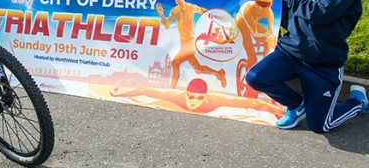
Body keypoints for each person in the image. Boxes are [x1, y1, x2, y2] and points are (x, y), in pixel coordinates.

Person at [246, 0, 367, 132]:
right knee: (256, 77)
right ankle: (296, 104)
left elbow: (318, 14)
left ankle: (357, 102)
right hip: (291, 53)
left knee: (320, 125)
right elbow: (290, 20)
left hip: (323, 63)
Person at [155, 0, 226, 89]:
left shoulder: (190, 7)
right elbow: (166, 25)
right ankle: (218, 74)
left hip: (190, 42)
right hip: (184, 43)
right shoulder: (174, 10)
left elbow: (204, 11)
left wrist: (217, 18)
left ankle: (171, 90)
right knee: (198, 69)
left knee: (175, 63)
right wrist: (161, 14)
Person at [110, 78, 283, 118]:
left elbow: (249, 102)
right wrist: (121, 93)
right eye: (191, 96)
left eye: (198, 98)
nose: (192, 101)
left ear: (205, 97)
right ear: (186, 93)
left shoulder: (214, 100)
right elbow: (146, 90)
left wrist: (275, 109)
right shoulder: (177, 96)